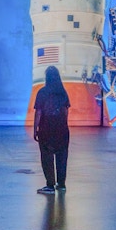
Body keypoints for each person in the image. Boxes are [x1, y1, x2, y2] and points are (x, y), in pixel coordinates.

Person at [33, 65, 71, 194]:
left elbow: (39, 112)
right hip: (61, 129)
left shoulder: (42, 92)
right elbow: (66, 111)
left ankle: (50, 186)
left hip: (46, 128)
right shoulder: (62, 92)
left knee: (47, 157)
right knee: (62, 157)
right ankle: (61, 184)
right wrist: (63, 125)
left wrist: (35, 129)